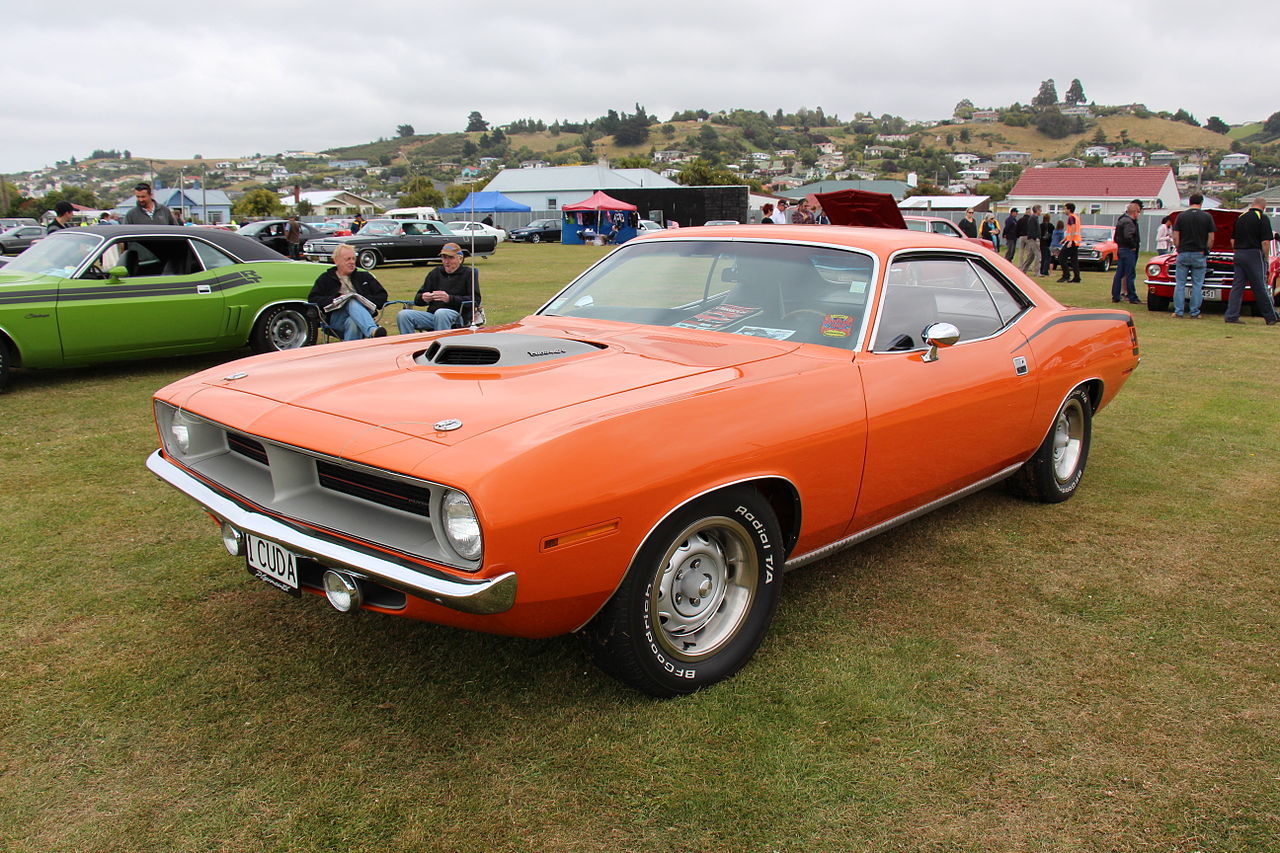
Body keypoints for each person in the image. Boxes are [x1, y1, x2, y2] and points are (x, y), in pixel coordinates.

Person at [308, 244, 388, 340]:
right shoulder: (326, 278)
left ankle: (351, 353)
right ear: (336, 261)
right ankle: (372, 330)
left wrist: (363, 300)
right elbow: (313, 299)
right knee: (350, 300)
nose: (352, 262)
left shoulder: (364, 277)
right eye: (348, 259)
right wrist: (337, 298)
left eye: (353, 259)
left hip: (363, 317)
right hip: (337, 320)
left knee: (353, 322)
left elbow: (382, 296)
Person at [397, 243, 481, 333]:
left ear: (460, 259)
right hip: (432, 315)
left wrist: (449, 298)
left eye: (450, 258)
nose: (446, 261)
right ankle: (411, 346)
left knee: (441, 313)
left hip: (457, 315)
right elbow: (417, 299)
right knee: (403, 315)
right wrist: (424, 298)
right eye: (444, 257)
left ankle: (441, 345)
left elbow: (475, 300)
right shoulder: (435, 273)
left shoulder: (469, 273)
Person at [1224, 197, 1278, 325]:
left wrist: (1238, 251)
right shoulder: (1262, 218)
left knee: (1237, 285)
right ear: (1264, 207)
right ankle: (1271, 316)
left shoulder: (1241, 217)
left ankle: (1231, 315)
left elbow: (1232, 241)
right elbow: (1265, 242)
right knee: (1260, 286)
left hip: (1239, 253)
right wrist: (1265, 257)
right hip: (1254, 254)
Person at [1171, 193, 1216, 318]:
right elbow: (1211, 238)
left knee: (1180, 284)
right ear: (1201, 203)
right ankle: (1194, 312)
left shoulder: (1181, 216)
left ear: (1190, 202)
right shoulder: (1207, 217)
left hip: (1183, 253)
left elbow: (1175, 235)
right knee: (1197, 284)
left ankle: (1179, 311)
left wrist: (1179, 248)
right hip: (1199, 254)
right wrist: (1206, 249)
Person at [1111, 200, 1143, 304]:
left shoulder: (1121, 220)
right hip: (1128, 250)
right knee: (1130, 274)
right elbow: (1128, 236)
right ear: (1135, 212)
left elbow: (1116, 237)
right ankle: (1132, 296)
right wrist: (1133, 246)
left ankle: (1115, 295)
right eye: (1138, 212)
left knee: (1119, 273)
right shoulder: (1129, 222)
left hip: (1121, 249)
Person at [1057, 203, 1083, 282]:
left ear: (1069, 209)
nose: (1064, 210)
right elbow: (1072, 231)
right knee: (1074, 260)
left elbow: (1073, 228)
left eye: (1065, 209)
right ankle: (1077, 277)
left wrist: (1070, 241)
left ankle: (1066, 275)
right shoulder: (1076, 217)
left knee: (1061, 258)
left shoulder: (1071, 217)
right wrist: (1065, 239)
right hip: (1076, 241)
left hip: (1072, 241)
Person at [1018, 206, 1042, 275]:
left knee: (1031, 256)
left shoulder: (1034, 218)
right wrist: (1035, 237)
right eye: (1040, 210)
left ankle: (1023, 270)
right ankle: (1037, 272)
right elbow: (1032, 229)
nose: (1041, 211)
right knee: (1038, 254)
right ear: (1037, 210)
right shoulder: (1033, 218)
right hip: (1033, 239)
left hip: (1032, 238)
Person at [1039, 212, 1055, 276]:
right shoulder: (1051, 226)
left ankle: (1041, 270)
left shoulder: (1040, 225)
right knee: (1047, 257)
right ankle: (1045, 271)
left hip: (1041, 242)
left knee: (1043, 257)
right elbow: (1052, 234)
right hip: (1047, 243)